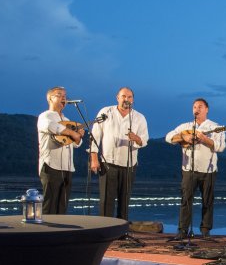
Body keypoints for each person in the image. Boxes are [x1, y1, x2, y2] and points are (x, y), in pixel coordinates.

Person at [166, 98, 226, 239]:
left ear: (207, 109)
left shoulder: (216, 127)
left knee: (207, 201)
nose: (196, 109)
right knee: (186, 199)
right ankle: (182, 230)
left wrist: (205, 139)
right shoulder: (185, 126)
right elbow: (168, 137)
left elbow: (221, 147)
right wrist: (184, 137)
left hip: (208, 169)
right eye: (194, 107)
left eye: (200, 107)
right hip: (188, 168)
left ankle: (205, 230)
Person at [90, 87, 149, 221]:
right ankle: (104, 227)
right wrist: (94, 158)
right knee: (106, 199)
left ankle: (122, 229)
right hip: (108, 162)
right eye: (123, 96)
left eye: (129, 97)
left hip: (129, 164)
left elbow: (144, 140)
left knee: (124, 200)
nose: (126, 99)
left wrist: (136, 138)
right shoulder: (106, 112)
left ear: (133, 100)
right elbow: (95, 136)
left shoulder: (139, 117)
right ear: (117, 98)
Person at [37, 86, 84, 214]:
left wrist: (79, 136)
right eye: (59, 95)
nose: (63, 98)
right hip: (51, 165)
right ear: (50, 98)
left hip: (67, 167)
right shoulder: (45, 116)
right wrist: (71, 132)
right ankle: (47, 226)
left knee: (62, 205)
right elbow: (50, 126)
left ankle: (60, 226)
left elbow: (75, 144)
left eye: (65, 96)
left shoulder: (67, 120)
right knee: (50, 204)